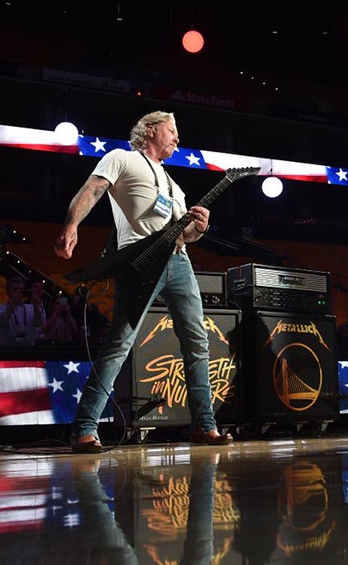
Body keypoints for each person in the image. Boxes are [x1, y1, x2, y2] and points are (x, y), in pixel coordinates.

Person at [54, 110, 231, 452]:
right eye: (171, 130)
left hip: (179, 262)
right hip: (140, 262)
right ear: (150, 130)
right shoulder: (121, 158)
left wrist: (200, 226)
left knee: (198, 344)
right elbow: (92, 190)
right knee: (119, 344)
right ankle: (84, 429)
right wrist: (71, 224)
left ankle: (204, 426)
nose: (178, 138)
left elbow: (187, 233)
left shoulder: (173, 185)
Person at [0, 277, 44, 346]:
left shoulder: (31, 308)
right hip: (8, 349)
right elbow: (1, 321)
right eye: (15, 289)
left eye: (21, 290)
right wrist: (13, 304)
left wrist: (36, 306)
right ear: (8, 291)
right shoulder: (0, 308)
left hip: (28, 348)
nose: (18, 292)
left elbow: (39, 323)